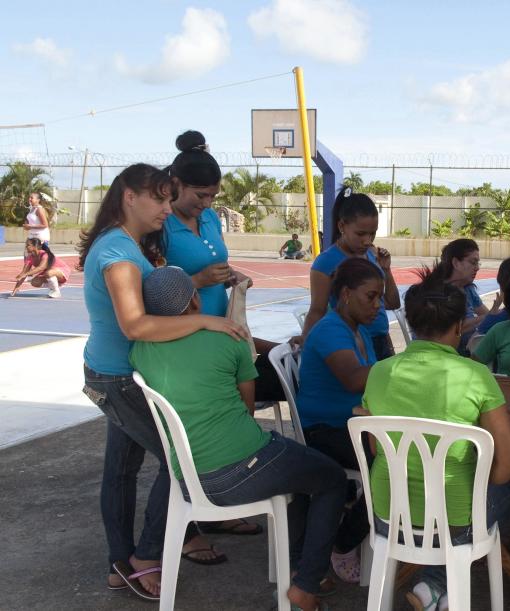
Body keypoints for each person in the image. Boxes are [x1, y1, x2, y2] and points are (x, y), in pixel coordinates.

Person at [130, 266, 347, 611]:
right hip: (241, 468)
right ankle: (305, 583)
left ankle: (299, 566)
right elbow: (248, 409)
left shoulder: (140, 350)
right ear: (195, 300)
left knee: (305, 472)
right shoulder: (226, 339)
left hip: (188, 478)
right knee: (332, 478)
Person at [78, 164, 248, 601]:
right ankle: (146, 555)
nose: (166, 208)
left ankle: (122, 564)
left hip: (119, 372)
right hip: (118, 378)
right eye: (159, 198)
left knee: (120, 471)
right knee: (182, 462)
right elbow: (134, 324)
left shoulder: (127, 244)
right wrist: (206, 321)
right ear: (129, 197)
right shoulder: (117, 251)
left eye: (169, 199)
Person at [362, 267, 510, 610]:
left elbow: (378, 448)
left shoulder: (379, 373)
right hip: (453, 523)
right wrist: (478, 484)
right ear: (457, 327)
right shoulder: (476, 376)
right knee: (505, 495)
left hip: (389, 517)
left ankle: (436, 585)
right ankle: (438, 584)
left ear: (411, 322)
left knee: (453, 504)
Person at [162, 130, 282, 404]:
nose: (206, 204)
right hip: (186, 337)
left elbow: (214, 261)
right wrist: (195, 281)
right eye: (201, 195)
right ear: (176, 184)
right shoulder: (161, 224)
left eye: (213, 197)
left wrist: (230, 276)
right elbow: (150, 289)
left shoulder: (209, 218)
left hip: (220, 330)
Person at [296, 257, 383, 583]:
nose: (376, 305)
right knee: (391, 464)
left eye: (378, 297)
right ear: (346, 294)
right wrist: (402, 368)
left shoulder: (355, 329)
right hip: (324, 431)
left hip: (351, 424)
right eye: (370, 296)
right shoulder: (331, 330)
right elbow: (354, 379)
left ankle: (376, 529)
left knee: (403, 455)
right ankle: (344, 542)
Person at [302, 187, 400, 360]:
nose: (367, 240)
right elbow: (317, 310)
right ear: (342, 226)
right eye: (361, 234)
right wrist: (306, 343)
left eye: (372, 233)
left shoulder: (372, 254)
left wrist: (386, 270)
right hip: (350, 343)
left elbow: (392, 303)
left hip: (381, 341)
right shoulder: (326, 262)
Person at [434, 238, 490, 352]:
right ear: (455, 263)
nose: (477, 268)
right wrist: (489, 317)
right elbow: (450, 330)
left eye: (478, 263)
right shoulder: (436, 294)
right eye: (473, 262)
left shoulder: (468, 289)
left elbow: (486, 314)